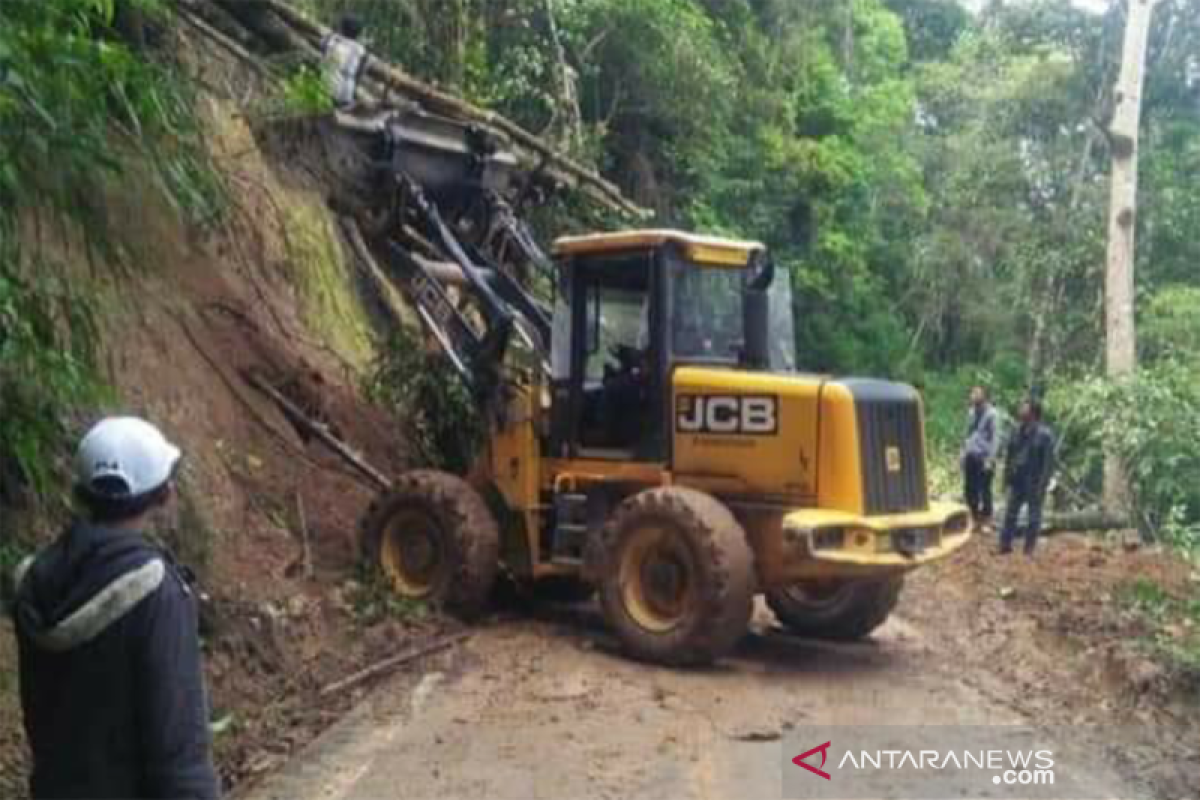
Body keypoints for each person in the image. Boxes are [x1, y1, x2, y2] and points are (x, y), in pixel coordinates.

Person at [10, 417, 220, 800]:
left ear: (80, 492)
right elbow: (177, 746)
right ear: (165, 495)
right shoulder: (157, 591)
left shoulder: (32, 583)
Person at [999, 399, 1056, 556]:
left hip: (1034, 480)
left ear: (1033, 413)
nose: (1020, 410)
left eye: (1024, 407)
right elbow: (1009, 457)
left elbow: (1048, 464)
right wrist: (1006, 478)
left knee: (1033, 517)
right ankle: (1004, 546)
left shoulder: (1045, 435)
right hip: (1018, 478)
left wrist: (1043, 485)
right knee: (1010, 514)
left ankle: (1028, 550)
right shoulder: (1016, 431)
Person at [961, 385, 1001, 530]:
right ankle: (973, 517)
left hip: (983, 457)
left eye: (977, 393)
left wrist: (990, 460)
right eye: (972, 392)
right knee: (970, 488)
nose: (973, 395)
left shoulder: (992, 414)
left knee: (985, 489)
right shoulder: (971, 413)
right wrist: (962, 453)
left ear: (984, 396)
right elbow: (967, 434)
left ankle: (986, 520)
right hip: (971, 455)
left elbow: (995, 438)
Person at [320, 13, 369, 109]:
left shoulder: (330, 40)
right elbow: (358, 76)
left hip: (324, 87)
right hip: (345, 94)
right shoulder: (361, 51)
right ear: (359, 33)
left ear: (341, 28)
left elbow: (322, 49)